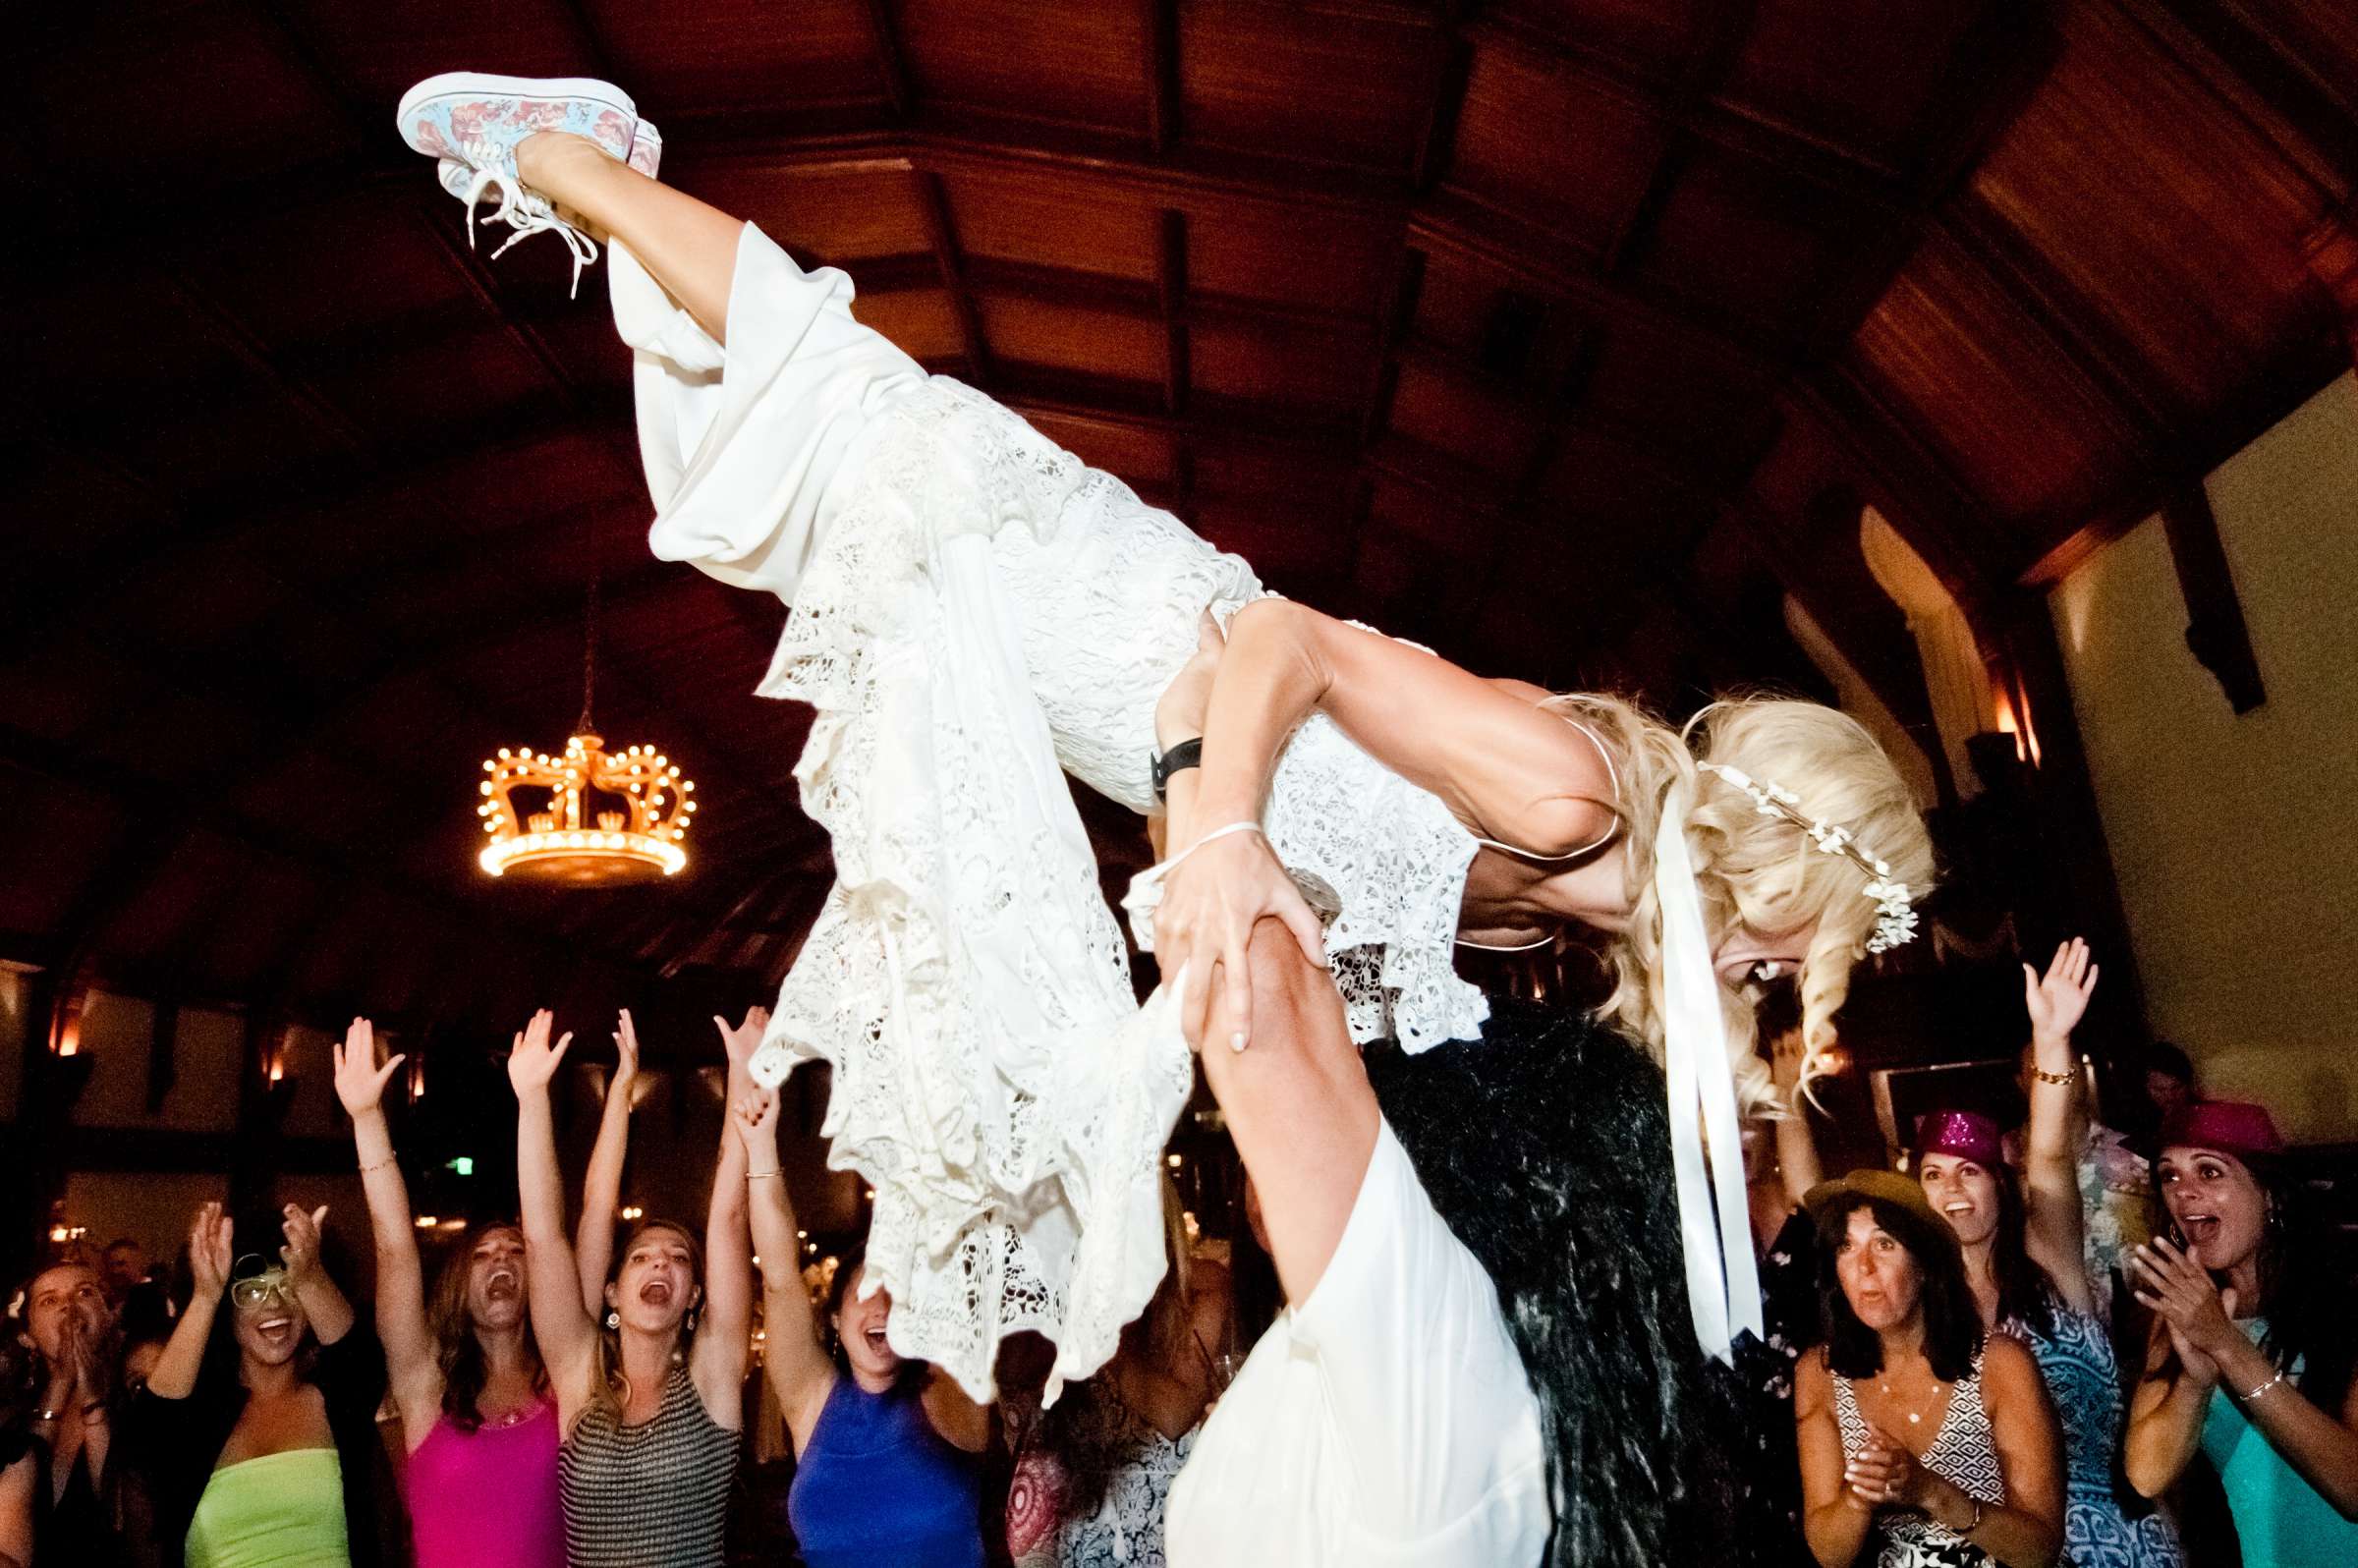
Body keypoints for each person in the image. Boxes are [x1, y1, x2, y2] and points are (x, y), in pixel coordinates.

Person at [508, 1007, 752, 1568]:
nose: (659, 1266)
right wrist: (532, 1101)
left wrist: (742, 1074)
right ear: (614, 1292)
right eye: (641, 1257)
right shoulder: (579, 1375)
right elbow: (545, 1237)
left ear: (694, 1295)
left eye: (677, 1260)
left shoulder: (712, 1374)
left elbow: (730, 1216)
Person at [333, 1016, 563, 1568]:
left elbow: (550, 1227)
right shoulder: (423, 1381)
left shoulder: (565, 1377)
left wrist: (532, 1103)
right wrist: (367, 1119)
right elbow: (394, 1249)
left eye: (513, 1252)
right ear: (459, 1284)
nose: (501, 1262)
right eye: (481, 1256)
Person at [732, 1085, 986, 1568]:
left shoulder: (950, 1390)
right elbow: (782, 1276)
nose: (883, 1307)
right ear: (834, 1319)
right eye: (867, 1292)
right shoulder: (813, 1402)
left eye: (898, 1293)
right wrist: (762, 1146)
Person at [2123, 1099, 2358, 1565]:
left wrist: (2230, 1348)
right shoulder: (2184, 1314)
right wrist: (2195, 1380)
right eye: (2169, 1175)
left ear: (2270, 1194)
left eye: (2209, 1172)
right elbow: (2147, 1474)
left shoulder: (2347, 1307)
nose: (2183, 1192)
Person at [1794, 1170, 2064, 1568]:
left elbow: (2039, 1549)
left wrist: (1931, 1491)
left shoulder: (2000, 1363)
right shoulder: (1819, 1372)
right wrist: (1858, 1496)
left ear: (1924, 1266)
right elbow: (1829, 1553)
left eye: (1884, 1245)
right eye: (1846, 1247)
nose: (1863, 1267)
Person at [124, 1201, 388, 1568]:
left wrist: (309, 1277)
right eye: (250, 1291)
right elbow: (148, 1435)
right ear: (226, 1312)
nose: (275, 1304)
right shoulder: (199, 1416)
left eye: (287, 1287)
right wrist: (205, 1296)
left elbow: (361, 1363)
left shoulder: (337, 1400)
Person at [1008, 1179, 1212, 1568]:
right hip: (1083, 1544)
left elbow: (1172, 1415)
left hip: (1174, 1544)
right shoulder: (1061, 1309)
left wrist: (1101, 1322)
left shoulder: (1200, 1291)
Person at [8, 1258, 131, 1565]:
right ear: (27, 1335)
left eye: (84, 1293)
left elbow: (123, 1516)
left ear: (110, 1314)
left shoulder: (133, 1400)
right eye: (50, 1300)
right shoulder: (13, 1420)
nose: (69, 1306)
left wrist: (90, 1394)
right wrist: (62, 1382)